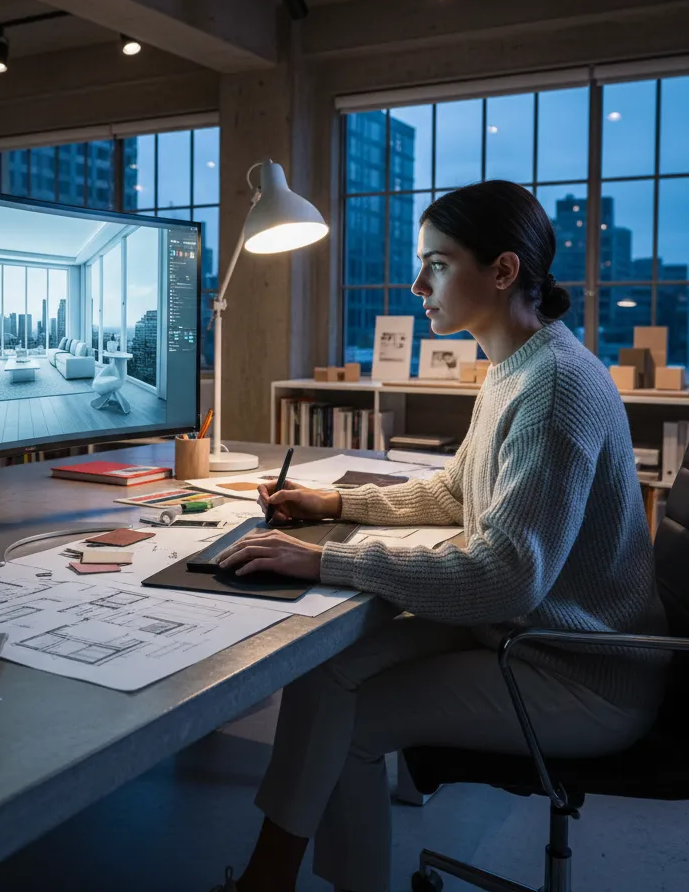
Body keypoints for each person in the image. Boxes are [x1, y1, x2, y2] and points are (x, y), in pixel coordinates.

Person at [208, 181, 668, 892]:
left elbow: (510, 573)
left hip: (578, 670)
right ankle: (271, 877)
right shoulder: (514, 367)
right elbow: (457, 491)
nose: (418, 282)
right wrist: (336, 500)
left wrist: (330, 559)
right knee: (323, 669)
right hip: (523, 631)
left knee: (354, 722)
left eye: (438, 264)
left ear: (504, 270)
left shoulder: (552, 388)